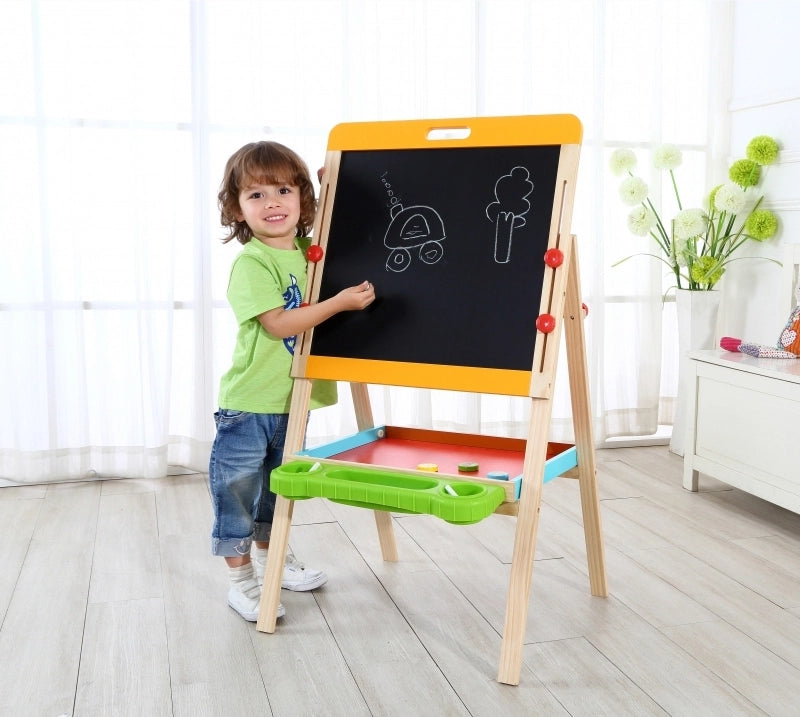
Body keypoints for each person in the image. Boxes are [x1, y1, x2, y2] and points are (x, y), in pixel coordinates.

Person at [209, 140, 375, 621]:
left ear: (301, 199)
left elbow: (333, 228)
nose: (273, 203)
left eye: (283, 190)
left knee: (278, 488)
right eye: (255, 195)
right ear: (237, 209)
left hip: (292, 400)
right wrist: (338, 304)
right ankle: (242, 582)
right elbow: (279, 323)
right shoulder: (252, 263)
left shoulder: (310, 250)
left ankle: (273, 559)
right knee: (237, 491)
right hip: (249, 403)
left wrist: (331, 186)